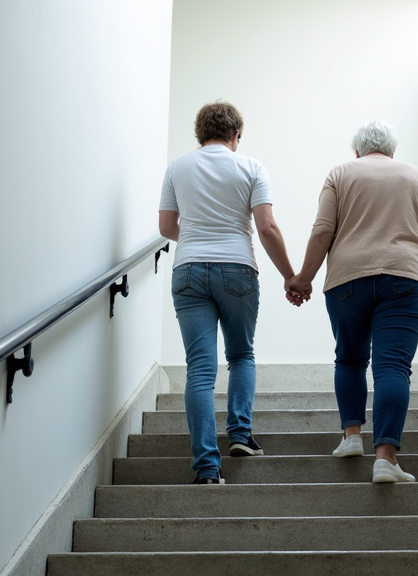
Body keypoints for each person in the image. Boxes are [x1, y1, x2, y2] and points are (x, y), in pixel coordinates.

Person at [287, 120, 418, 483]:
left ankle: (351, 437)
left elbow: (323, 230)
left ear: (357, 150)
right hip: (403, 279)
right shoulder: (417, 177)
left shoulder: (341, 173)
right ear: (392, 150)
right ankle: (385, 459)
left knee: (349, 358)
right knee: (392, 367)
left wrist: (303, 279)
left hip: (347, 281)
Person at [159, 101, 296, 485]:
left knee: (199, 370)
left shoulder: (177, 167)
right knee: (240, 354)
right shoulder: (251, 167)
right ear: (236, 135)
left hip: (187, 269)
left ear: (200, 134)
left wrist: (197, 237)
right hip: (237, 268)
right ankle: (240, 436)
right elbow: (266, 228)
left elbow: (168, 226)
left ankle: (206, 467)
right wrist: (290, 275)